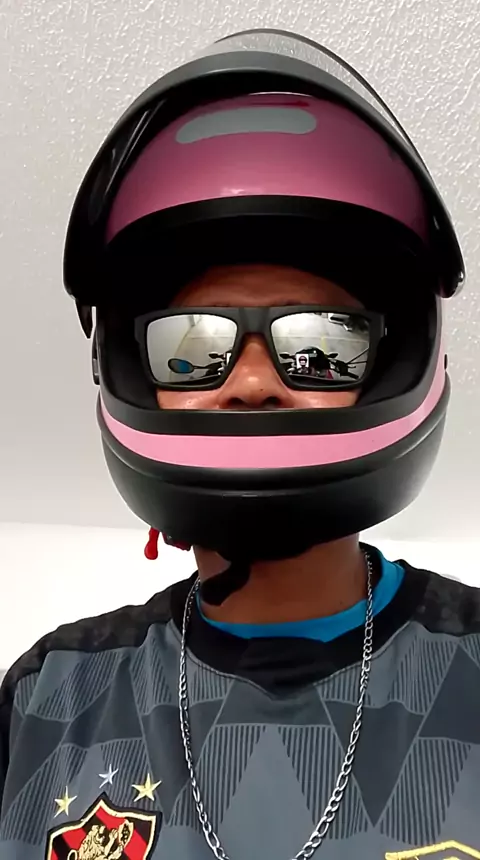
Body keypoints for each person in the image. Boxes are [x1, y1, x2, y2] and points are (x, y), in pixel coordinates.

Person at [0, 28, 478, 860]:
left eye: (319, 344)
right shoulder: (48, 696)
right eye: (192, 346)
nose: (253, 381)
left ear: (388, 362)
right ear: (134, 371)